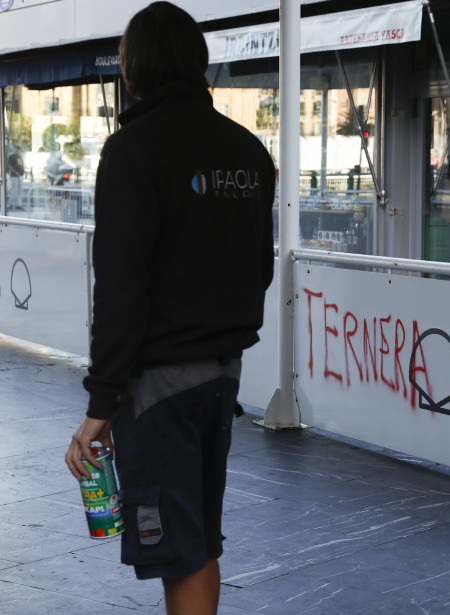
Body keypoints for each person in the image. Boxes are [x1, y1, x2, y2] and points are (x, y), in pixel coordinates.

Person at [63, 3, 275, 615]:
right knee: (198, 543)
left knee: (178, 551)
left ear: (137, 67)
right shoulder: (248, 151)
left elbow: (123, 288)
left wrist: (101, 405)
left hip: (157, 388)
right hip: (221, 377)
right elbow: (259, 269)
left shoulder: (133, 151)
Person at [6, 144, 25, 210]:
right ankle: (11, 204)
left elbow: (21, 165)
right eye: (17, 149)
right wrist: (14, 171)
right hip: (14, 175)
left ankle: (18, 204)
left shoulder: (19, 156)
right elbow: (9, 165)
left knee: (20, 190)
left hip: (20, 175)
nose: (18, 150)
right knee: (14, 190)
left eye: (18, 149)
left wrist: (23, 171)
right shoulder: (11, 156)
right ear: (14, 149)